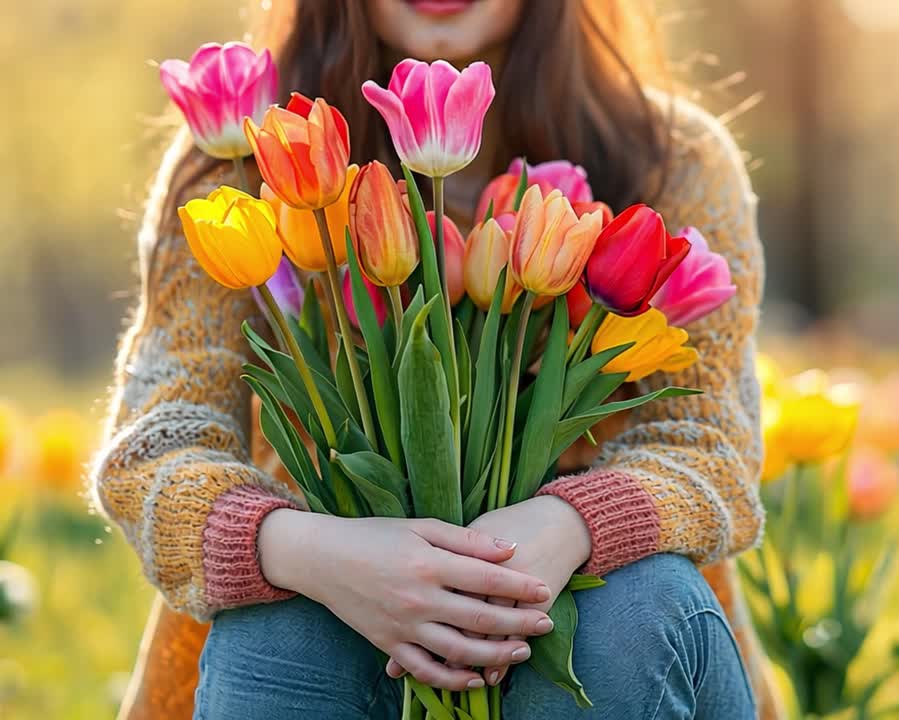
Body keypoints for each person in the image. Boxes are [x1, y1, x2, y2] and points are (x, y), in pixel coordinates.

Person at [92, 1, 775, 717]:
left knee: (635, 606)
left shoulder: (671, 158)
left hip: (600, 634)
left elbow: (712, 446)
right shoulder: (248, 160)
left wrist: (568, 529)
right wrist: (305, 550)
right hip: (336, 625)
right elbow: (157, 444)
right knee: (281, 628)